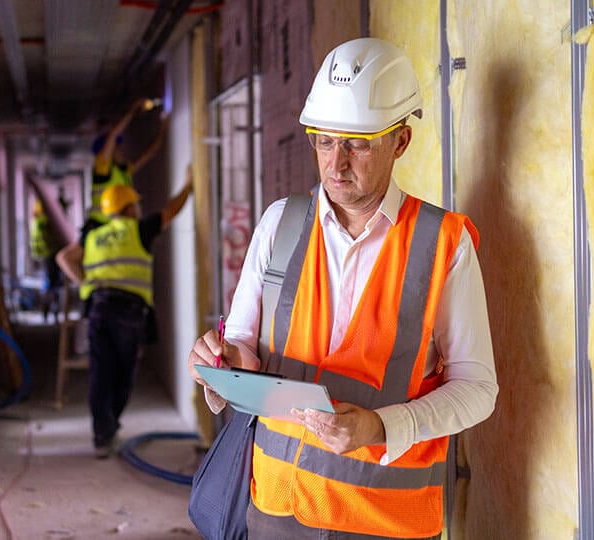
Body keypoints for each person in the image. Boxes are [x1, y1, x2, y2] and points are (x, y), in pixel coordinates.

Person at [187, 38, 498, 539]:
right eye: (324, 141)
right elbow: (242, 345)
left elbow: (478, 389)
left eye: (357, 143)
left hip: (383, 520)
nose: (335, 164)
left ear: (400, 141)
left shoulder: (444, 243)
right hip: (275, 509)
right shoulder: (280, 224)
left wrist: (380, 427)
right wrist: (221, 363)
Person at [57, 165, 194, 458]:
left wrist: (86, 283)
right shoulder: (139, 229)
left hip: (99, 308)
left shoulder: (93, 237)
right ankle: (112, 425)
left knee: (99, 373)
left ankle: (100, 437)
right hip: (129, 313)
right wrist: (189, 186)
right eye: (136, 203)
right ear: (129, 207)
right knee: (122, 375)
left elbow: (64, 257)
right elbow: (171, 210)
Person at [86, 97, 168, 231]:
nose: (121, 150)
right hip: (100, 227)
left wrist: (163, 126)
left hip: (117, 227)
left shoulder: (124, 171)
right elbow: (113, 135)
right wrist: (133, 110)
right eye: (118, 147)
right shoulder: (102, 167)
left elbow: (149, 154)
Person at [28, 198, 63, 322]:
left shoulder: (37, 222)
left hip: (46, 257)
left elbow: (35, 241)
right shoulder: (47, 222)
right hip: (52, 256)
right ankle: (51, 310)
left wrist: (35, 256)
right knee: (54, 284)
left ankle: (49, 311)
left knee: (50, 284)